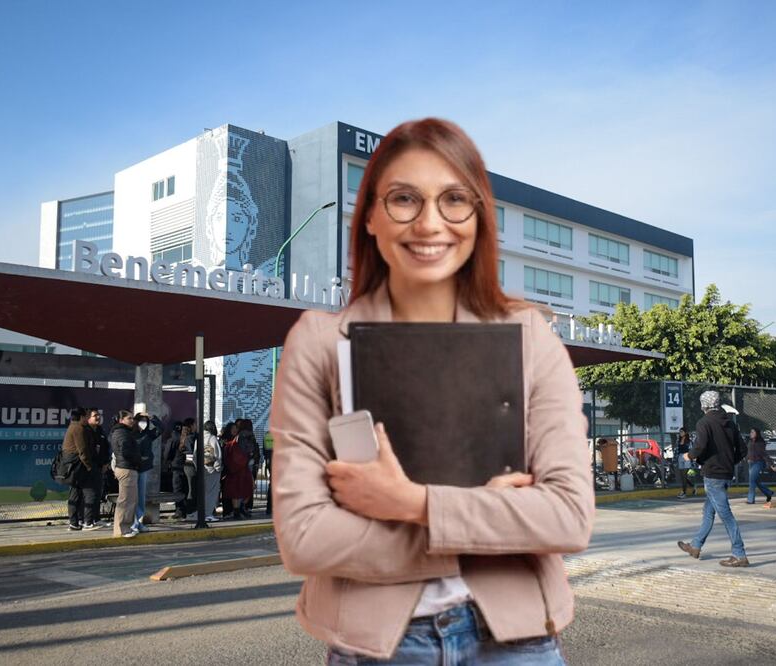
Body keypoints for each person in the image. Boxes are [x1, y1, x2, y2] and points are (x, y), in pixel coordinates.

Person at [270, 118, 591, 664]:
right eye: (404, 199)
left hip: (518, 642)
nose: (429, 223)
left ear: (479, 216)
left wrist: (410, 504)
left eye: (454, 200)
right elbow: (305, 537)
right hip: (381, 647)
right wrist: (489, 525)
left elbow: (567, 516)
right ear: (370, 215)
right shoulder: (320, 343)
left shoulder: (529, 336)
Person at [678, 391, 748, 567]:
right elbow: (742, 449)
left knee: (726, 515)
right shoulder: (730, 423)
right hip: (726, 473)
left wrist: (689, 456)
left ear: (704, 405)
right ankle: (695, 546)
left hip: (713, 474)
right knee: (708, 512)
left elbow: (700, 446)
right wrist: (730, 462)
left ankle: (739, 554)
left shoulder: (704, 422)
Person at [61, 408, 98, 531]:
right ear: (81, 417)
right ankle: (88, 522)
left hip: (72, 467)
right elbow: (82, 450)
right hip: (79, 467)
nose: (86, 419)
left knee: (75, 494)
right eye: (85, 416)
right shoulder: (78, 428)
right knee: (90, 492)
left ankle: (74, 523)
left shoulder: (72, 427)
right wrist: (89, 466)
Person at [110, 410, 142, 538]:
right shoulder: (122, 433)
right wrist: (137, 460)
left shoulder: (124, 432)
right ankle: (122, 529)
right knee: (126, 500)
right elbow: (125, 451)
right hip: (126, 468)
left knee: (130, 499)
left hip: (127, 467)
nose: (132, 421)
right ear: (121, 420)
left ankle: (125, 527)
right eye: (129, 418)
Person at [131, 413, 161, 533]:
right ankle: (133, 523)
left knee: (141, 497)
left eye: (145, 421)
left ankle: (138, 522)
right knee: (132, 497)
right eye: (140, 421)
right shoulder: (130, 434)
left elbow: (160, 428)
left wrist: (151, 417)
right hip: (132, 468)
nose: (143, 423)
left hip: (143, 468)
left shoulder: (147, 434)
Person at [223, 420, 256, 519]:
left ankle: (237, 511)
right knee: (248, 489)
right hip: (244, 466)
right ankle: (241, 508)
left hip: (234, 468)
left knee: (235, 491)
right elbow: (250, 450)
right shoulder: (248, 436)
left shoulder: (235, 439)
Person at [197, 420, 223, 522]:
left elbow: (195, 455)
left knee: (203, 492)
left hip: (202, 468)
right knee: (211, 492)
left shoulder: (199, 438)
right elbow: (217, 455)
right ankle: (208, 514)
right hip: (212, 468)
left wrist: (197, 466)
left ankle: (202, 513)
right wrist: (218, 468)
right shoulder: (212, 438)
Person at [746, 428, 775, 508]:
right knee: (756, 481)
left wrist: (771, 464)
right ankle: (768, 493)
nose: (751, 433)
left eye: (753, 432)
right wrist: (747, 458)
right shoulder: (750, 441)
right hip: (751, 463)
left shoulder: (760, 442)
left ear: (757, 433)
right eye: (750, 432)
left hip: (758, 463)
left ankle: (750, 499)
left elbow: (764, 454)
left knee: (752, 480)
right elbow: (748, 451)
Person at [674, 428, 696, 499]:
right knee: (683, 476)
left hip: (687, 456)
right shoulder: (678, 440)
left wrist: (693, 460)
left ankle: (684, 492)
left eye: (682, 432)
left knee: (684, 475)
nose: (680, 433)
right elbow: (676, 450)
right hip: (680, 456)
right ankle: (692, 486)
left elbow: (692, 449)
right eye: (680, 432)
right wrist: (675, 459)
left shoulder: (689, 440)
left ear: (685, 432)